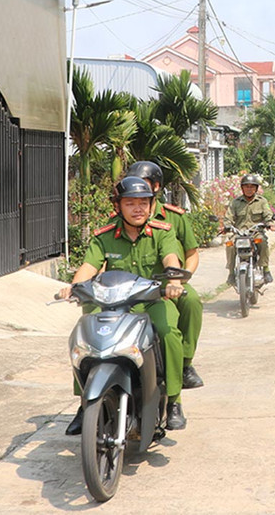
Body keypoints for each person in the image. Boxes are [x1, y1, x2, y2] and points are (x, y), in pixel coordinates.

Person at [58, 176, 188, 433]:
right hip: (115, 304)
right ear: (119, 206)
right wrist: (73, 288)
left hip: (152, 301)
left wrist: (173, 280)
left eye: (143, 203)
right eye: (130, 203)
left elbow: (171, 257)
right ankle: (86, 403)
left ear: (152, 205)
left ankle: (174, 400)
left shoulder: (163, 231)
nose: (138, 208)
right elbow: (89, 266)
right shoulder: (104, 236)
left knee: (167, 332)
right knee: (85, 332)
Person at [126, 160, 204, 390]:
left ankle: (185, 363)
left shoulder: (174, 217)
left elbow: (192, 253)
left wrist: (181, 278)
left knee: (190, 300)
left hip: (170, 282)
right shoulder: (125, 215)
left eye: (144, 183)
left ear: (157, 187)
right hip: (133, 285)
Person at [225, 173, 274, 285]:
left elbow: (268, 214)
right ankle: (231, 273)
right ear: (242, 188)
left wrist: (270, 223)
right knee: (230, 244)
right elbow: (229, 216)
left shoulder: (262, 202)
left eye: (252, 186)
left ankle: (266, 269)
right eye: (246, 186)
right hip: (239, 233)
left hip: (255, 232)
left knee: (264, 242)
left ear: (256, 188)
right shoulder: (235, 203)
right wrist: (227, 225)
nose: (249, 189)